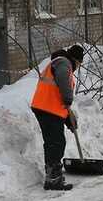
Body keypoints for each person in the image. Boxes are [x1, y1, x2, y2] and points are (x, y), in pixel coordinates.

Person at [31, 44, 84, 191]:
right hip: (47, 108)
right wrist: (68, 98)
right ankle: (53, 178)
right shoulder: (63, 63)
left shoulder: (59, 62)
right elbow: (61, 80)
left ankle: (52, 175)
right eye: (79, 64)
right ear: (76, 60)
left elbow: (57, 94)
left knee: (53, 141)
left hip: (46, 107)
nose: (78, 67)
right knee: (56, 142)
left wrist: (68, 119)